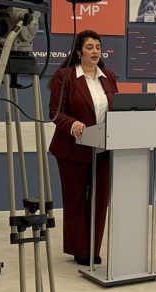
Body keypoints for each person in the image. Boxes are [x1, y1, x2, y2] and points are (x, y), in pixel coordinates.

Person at [48, 30, 118, 266]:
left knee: (99, 200)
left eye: (98, 47)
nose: (95, 51)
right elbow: (55, 112)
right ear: (79, 52)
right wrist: (73, 124)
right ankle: (80, 249)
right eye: (90, 47)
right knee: (75, 200)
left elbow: (116, 108)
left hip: (103, 148)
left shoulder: (108, 76)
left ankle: (93, 248)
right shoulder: (65, 76)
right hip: (72, 149)